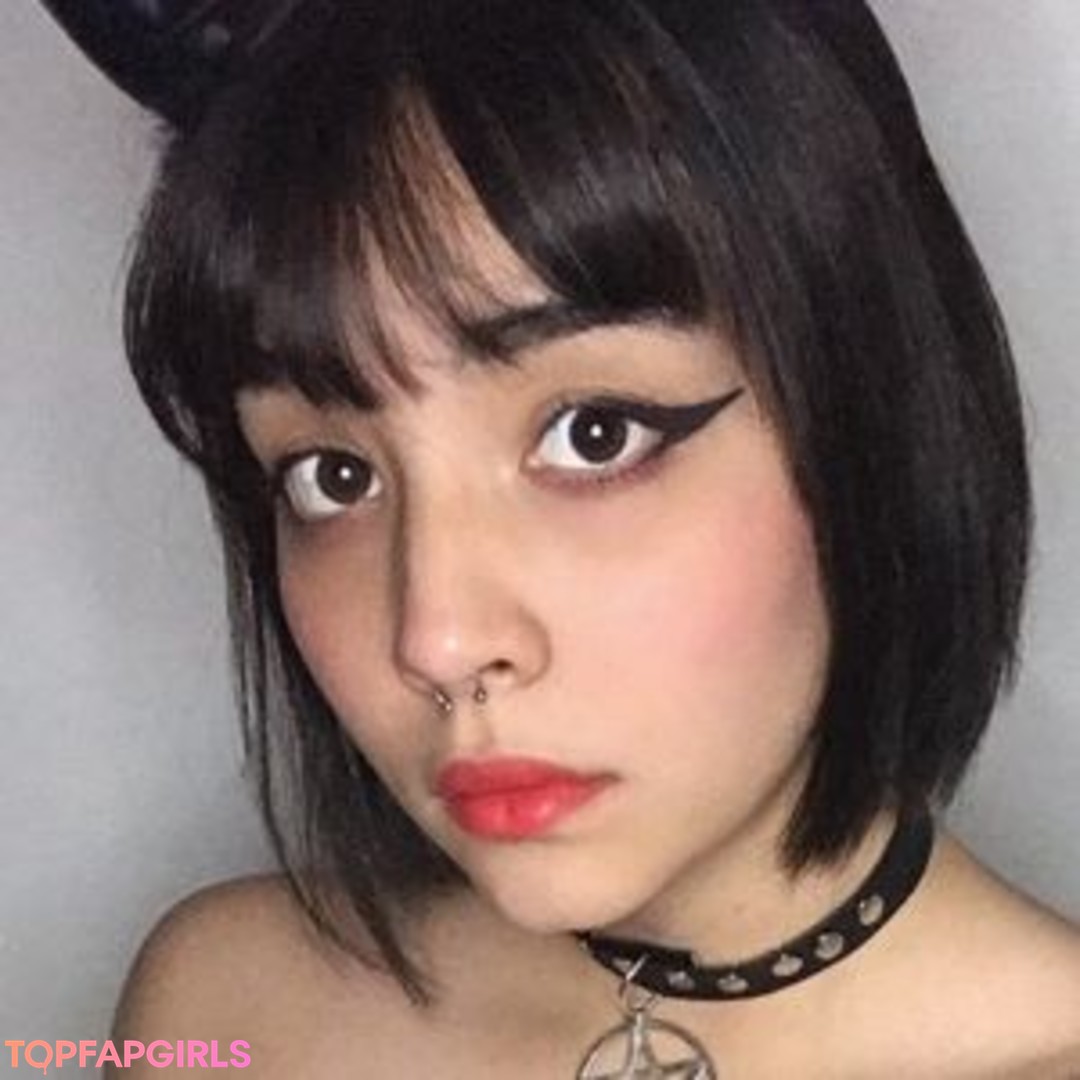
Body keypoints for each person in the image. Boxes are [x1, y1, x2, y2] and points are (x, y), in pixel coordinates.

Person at [43, 0, 1080, 1075]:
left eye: (595, 434)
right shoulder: (227, 1013)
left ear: (872, 418)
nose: (437, 641)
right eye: (333, 476)